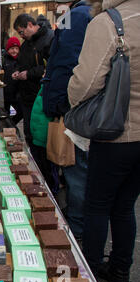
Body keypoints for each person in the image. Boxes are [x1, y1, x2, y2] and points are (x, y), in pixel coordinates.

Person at [68, 0, 140, 282]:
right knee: (125, 206)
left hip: (115, 134)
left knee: (97, 206)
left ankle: (92, 274)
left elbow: (86, 83)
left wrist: (73, 105)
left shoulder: (109, 21)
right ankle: (121, 271)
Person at [42, 0, 92, 242]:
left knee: (76, 172)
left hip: (73, 110)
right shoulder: (79, 14)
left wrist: (59, 102)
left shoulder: (75, 16)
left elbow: (66, 64)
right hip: (78, 108)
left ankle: (76, 234)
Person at [12, 13, 57, 193]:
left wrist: (28, 74)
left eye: (22, 31)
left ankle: (50, 184)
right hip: (27, 98)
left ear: (31, 25)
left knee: (43, 142)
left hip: (42, 99)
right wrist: (17, 72)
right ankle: (37, 177)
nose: (21, 35)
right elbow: (22, 64)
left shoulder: (49, 40)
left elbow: (49, 68)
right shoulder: (26, 45)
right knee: (30, 137)